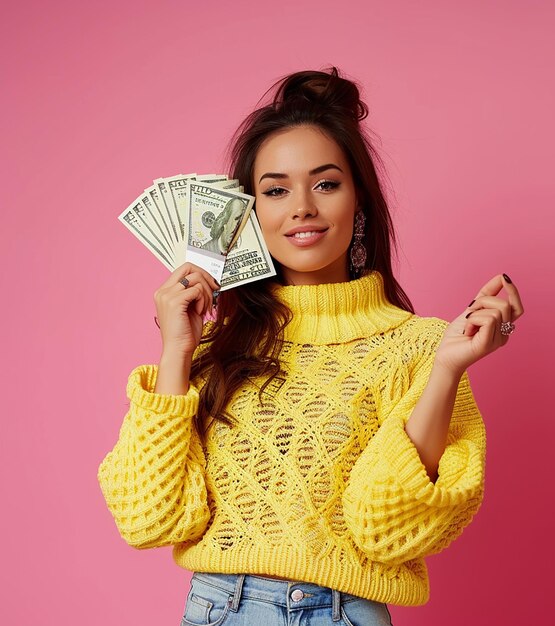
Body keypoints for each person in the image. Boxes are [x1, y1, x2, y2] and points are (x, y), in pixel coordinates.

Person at [98, 67, 524, 626]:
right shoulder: (216, 351)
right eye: (275, 190)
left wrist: (445, 370)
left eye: (325, 183)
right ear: (247, 216)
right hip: (215, 609)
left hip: (338, 613)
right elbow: (147, 519)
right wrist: (177, 351)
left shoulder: (420, 347)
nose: (302, 207)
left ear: (360, 201)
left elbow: (389, 530)